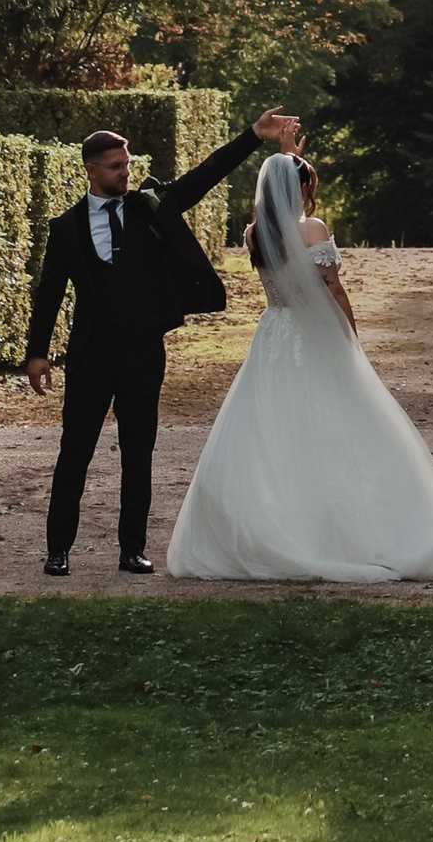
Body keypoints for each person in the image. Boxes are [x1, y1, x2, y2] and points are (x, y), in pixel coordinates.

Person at [164, 150, 433, 584]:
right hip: (313, 331)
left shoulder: (255, 234)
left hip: (274, 332)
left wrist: (288, 153)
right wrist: (350, 338)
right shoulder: (312, 229)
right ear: (300, 188)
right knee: (337, 420)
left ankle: (273, 527)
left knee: (271, 427)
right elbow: (333, 288)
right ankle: (342, 534)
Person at [24, 109, 301, 574]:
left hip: (143, 351)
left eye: (128, 164)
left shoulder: (149, 206)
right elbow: (49, 292)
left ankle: (132, 549)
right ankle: (58, 550)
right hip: (90, 354)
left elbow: (204, 176)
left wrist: (254, 134)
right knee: (74, 451)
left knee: (138, 452)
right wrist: (37, 353)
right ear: (91, 169)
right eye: (116, 166)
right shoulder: (66, 228)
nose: (125, 173)